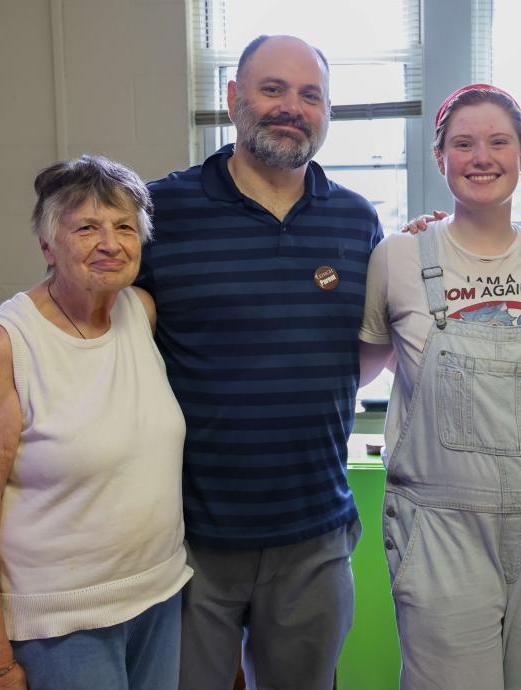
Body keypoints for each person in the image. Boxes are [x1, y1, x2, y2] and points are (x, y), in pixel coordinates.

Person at [135, 35, 384, 689]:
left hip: (314, 534)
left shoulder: (357, 222)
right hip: (185, 537)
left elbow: (362, 353)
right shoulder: (161, 211)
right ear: (233, 99)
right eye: (273, 89)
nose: (291, 108)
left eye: (310, 95)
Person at [360, 84, 521, 690]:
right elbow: (368, 366)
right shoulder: (395, 257)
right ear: (440, 157)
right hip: (439, 527)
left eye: (499, 142)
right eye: (463, 143)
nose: (481, 157)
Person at [0, 155, 192, 690]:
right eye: (86, 228)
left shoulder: (138, 312)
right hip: (62, 623)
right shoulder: (7, 342)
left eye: (125, 226)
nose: (110, 243)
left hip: (158, 595)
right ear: (46, 245)